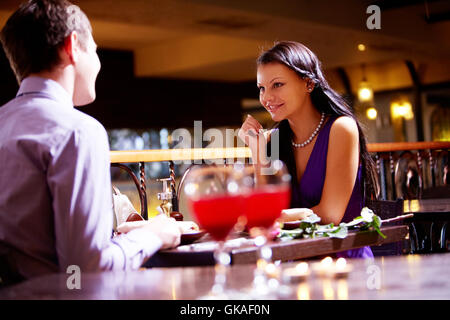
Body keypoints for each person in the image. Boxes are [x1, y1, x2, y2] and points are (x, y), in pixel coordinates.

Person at [0, 0, 182, 283]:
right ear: (73, 45)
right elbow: (85, 272)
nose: (98, 63)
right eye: (95, 50)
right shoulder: (78, 132)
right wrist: (153, 235)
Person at [239, 41, 378, 258]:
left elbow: (330, 215)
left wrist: (275, 217)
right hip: (294, 264)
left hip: (344, 264)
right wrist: (258, 153)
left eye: (277, 85)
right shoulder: (273, 140)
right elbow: (265, 212)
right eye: (262, 88)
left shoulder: (341, 128)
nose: (266, 98)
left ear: (308, 84)